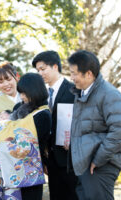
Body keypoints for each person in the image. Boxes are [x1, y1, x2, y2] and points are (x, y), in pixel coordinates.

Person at [68, 50, 121, 200]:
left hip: (100, 165)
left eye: (74, 73)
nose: (72, 78)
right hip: (86, 165)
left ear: (88, 74)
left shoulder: (109, 94)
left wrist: (98, 159)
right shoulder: (82, 93)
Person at [0, 73, 52, 200]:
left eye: (24, 93)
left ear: (34, 91)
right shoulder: (19, 108)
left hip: (30, 172)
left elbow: (22, 139)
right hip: (9, 169)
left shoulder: (44, 115)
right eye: (21, 93)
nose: (22, 96)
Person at [32, 50, 78, 200]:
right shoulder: (42, 96)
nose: (40, 73)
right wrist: (44, 160)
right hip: (50, 162)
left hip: (72, 160)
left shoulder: (74, 91)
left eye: (43, 69)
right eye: (38, 70)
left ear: (55, 67)